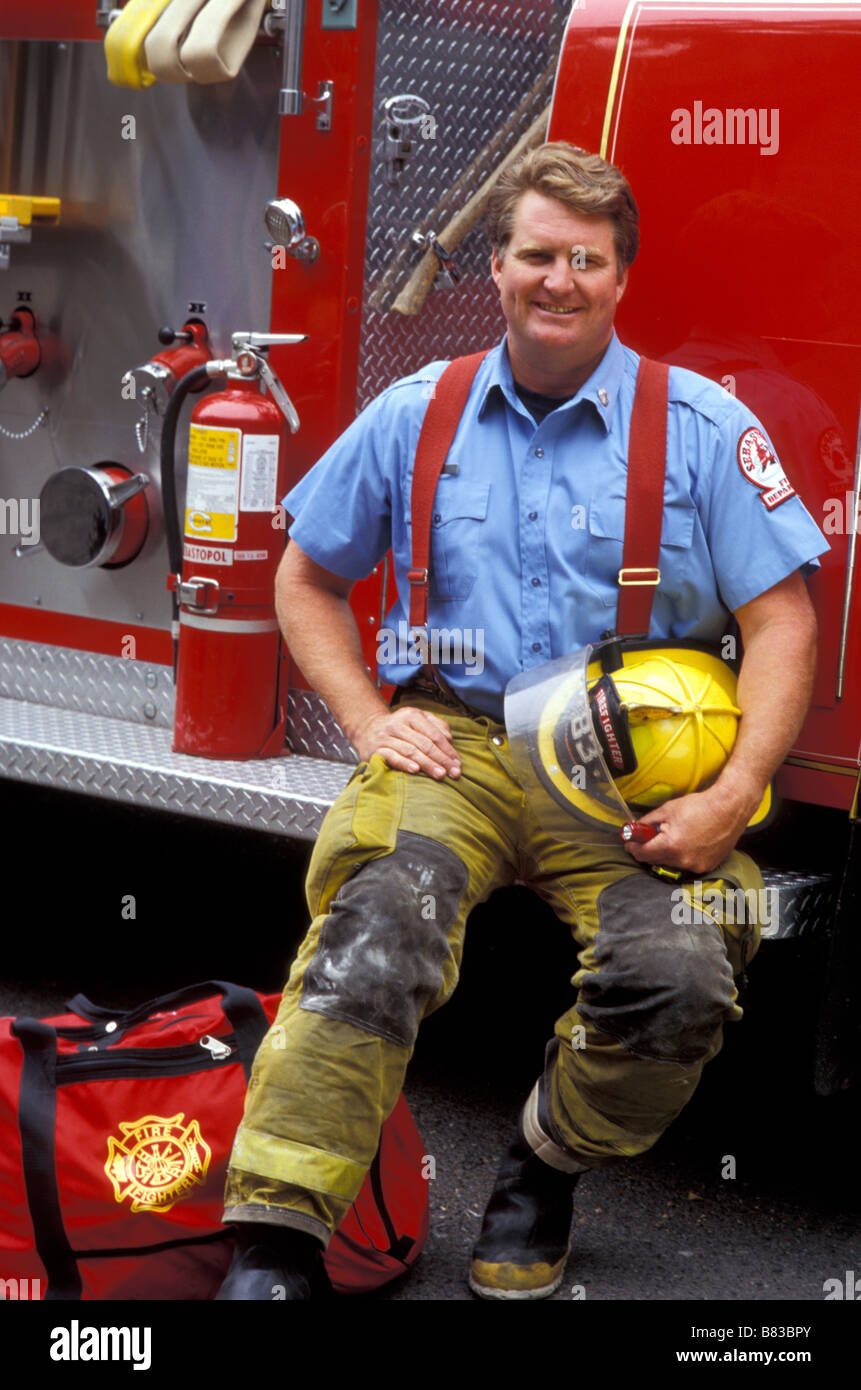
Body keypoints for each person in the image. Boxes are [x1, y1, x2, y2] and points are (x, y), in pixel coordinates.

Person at [217, 143, 827, 1301]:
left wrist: (733, 793)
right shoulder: (416, 413)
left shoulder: (699, 426)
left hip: (627, 778)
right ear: (492, 266)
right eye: (535, 253)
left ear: (620, 277)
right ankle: (276, 1241)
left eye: (585, 260)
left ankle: (543, 1168)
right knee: (376, 931)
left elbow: (784, 620)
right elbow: (303, 576)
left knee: (684, 972)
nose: (559, 279)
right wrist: (362, 719)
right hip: (458, 744)